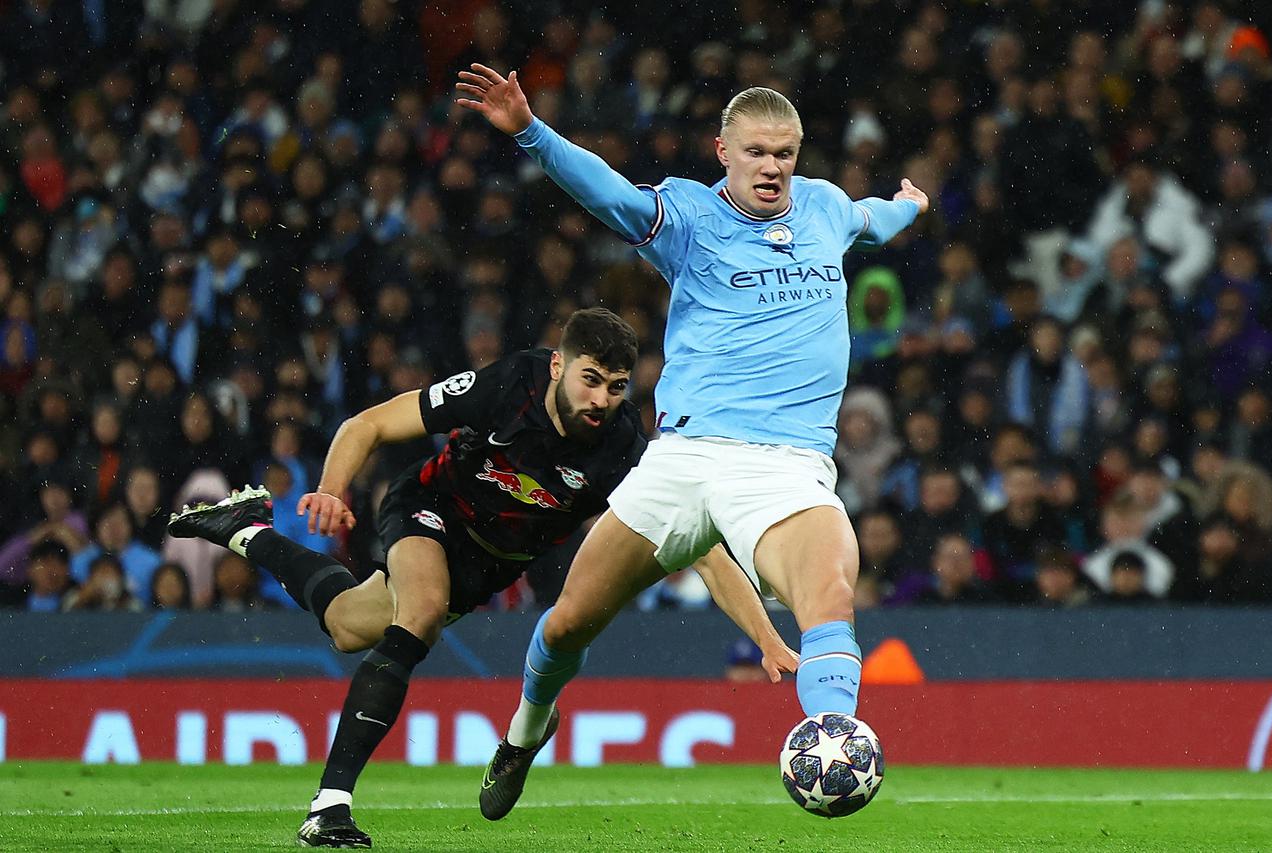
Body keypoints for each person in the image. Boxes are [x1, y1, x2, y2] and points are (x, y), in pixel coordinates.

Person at [453, 64, 927, 819]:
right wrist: (533, 134)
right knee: (571, 619)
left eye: (786, 153)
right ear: (723, 152)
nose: (772, 167)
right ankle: (523, 732)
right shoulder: (688, 218)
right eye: (757, 152)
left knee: (829, 593)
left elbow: (874, 217)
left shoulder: (825, 209)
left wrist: (908, 205)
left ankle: (833, 730)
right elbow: (610, 193)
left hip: (782, 465)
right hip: (681, 459)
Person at [168, 308, 792, 847]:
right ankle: (329, 807)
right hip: (430, 506)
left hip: (492, 563)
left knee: (348, 626)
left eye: (617, 387)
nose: (601, 399)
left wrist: (765, 635)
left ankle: (246, 530)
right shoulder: (508, 383)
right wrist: (331, 489)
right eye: (590, 379)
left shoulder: (625, 447)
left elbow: (705, 551)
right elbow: (370, 424)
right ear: (558, 366)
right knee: (419, 617)